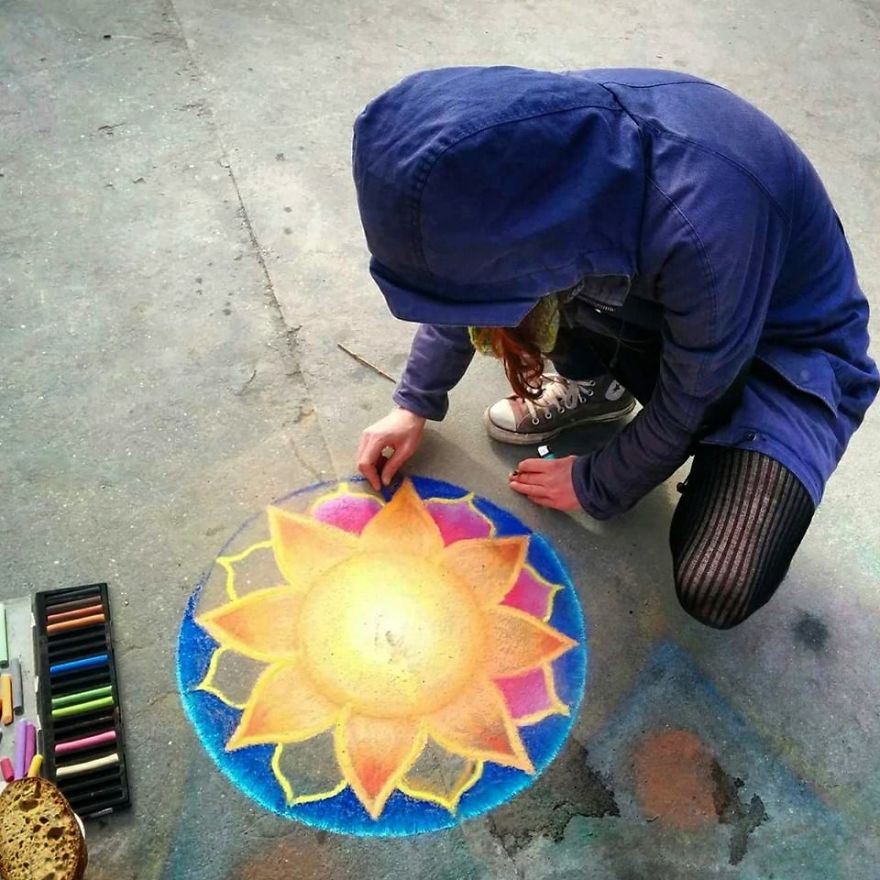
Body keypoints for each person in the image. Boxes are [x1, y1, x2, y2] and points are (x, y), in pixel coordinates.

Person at [351, 66, 878, 630]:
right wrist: (414, 402)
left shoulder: (699, 223)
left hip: (785, 360)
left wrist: (598, 481)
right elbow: (460, 282)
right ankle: (599, 388)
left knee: (719, 581)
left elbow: (696, 395)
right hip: (670, 318)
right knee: (545, 290)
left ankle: (734, 451)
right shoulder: (531, 150)